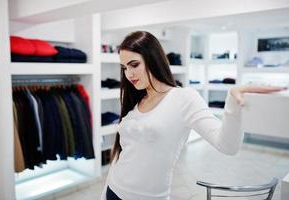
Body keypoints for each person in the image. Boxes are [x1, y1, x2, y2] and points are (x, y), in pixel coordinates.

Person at [100, 31, 285, 200]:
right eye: (124, 67)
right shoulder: (135, 99)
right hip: (114, 189)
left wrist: (233, 101)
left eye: (134, 65)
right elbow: (122, 153)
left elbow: (228, 146)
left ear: (153, 59)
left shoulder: (183, 98)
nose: (128, 74)